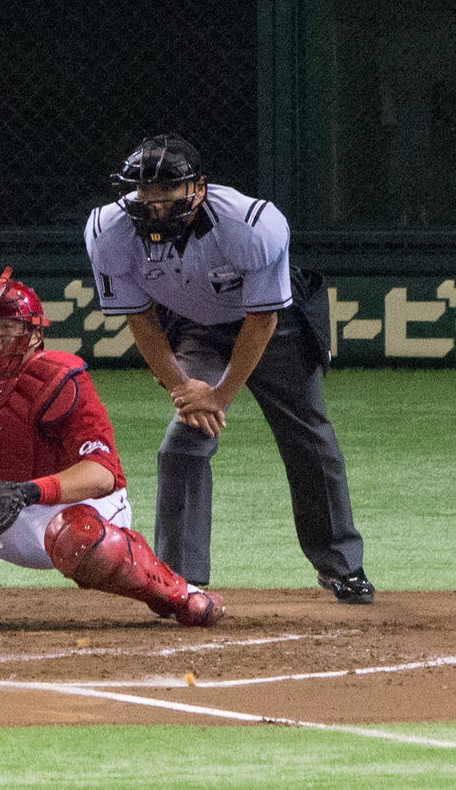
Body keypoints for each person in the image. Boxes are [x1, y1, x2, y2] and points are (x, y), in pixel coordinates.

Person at [83, 133, 373, 604]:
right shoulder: (108, 233)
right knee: (182, 444)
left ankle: (342, 566)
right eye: (144, 190)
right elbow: (142, 320)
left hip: (274, 327)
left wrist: (218, 395)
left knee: (307, 437)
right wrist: (184, 389)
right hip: (195, 325)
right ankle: (178, 582)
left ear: (198, 188)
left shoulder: (252, 226)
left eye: (167, 189)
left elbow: (263, 319)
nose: (153, 201)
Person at [0, 268, 225, 628]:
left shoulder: (59, 379)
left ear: (34, 335)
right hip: (1, 506)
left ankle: (178, 594)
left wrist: (28, 491)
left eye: (5, 327)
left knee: (79, 540)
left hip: (80, 509)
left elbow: (102, 474)